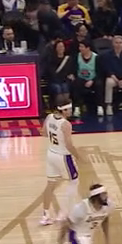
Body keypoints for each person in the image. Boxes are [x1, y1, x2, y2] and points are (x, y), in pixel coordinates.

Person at [40, 96, 79, 226]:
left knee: (50, 185)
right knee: (74, 181)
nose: (71, 111)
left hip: (51, 153)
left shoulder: (49, 117)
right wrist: (78, 156)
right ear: (64, 110)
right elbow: (69, 145)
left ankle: (45, 215)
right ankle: (65, 213)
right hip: (63, 156)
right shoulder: (66, 124)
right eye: (70, 109)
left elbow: (44, 133)